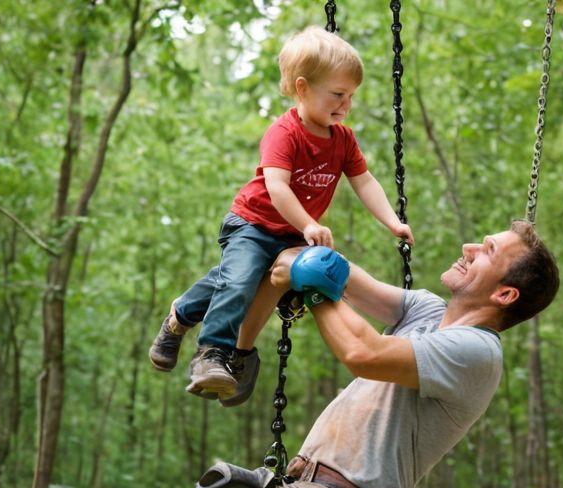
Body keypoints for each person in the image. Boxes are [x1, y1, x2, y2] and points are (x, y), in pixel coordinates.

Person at [192, 220, 559, 488]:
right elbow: (343, 275)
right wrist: (302, 246)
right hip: (301, 482)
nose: (468, 247)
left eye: (488, 251)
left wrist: (312, 284)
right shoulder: (428, 310)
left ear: (506, 295)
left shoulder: (479, 352)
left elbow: (363, 353)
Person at [149, 26, 414, 406]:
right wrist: (308, 223)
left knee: (233, 281)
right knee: (239, 281)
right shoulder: (284, 133)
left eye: (351, 96)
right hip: (253, 224)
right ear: (303, 88)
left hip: (290, 235)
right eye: (338, 94)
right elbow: (277, 188)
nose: (346, 104)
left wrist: (391, 220)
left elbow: (365, 181)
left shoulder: (343, 140)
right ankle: (212, 353)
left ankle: (179, 315)